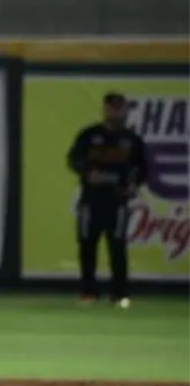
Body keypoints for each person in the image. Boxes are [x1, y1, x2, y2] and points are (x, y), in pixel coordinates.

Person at [65, 91, 148, 309]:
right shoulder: (89, 135)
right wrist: (87, 173)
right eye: (112, 108)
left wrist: (134, 185)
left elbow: (143, 168)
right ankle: (88, 292)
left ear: (126, 111)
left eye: (120, 108)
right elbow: (73, 159)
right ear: (105, 109)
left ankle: (120, 295)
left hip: (117, 201)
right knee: (87, 245)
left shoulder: (132, 140)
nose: (116, 112)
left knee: (118, 247)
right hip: (91, 200)